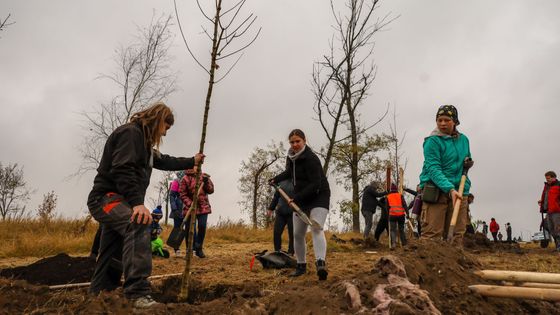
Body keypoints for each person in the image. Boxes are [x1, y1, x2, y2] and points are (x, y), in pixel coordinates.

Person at [86, 102, 204, 308]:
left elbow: (165, 161)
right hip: (106, 198)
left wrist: (191, 161)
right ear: (158, 120)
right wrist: (137, 204)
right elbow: (123, 168)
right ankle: (137, 294)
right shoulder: (130, 134)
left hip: (120, 202)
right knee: (139, 223)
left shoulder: (145, 145)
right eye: (166, 128)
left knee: (110, 249)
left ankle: (99, 297)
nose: (165, 134)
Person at [270, 129, 331, 280]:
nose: (295, 145)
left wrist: (296, 198)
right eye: (292, 142)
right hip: (302, 198)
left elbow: (316, 184)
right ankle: (301, 266)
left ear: (304, 141)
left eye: (298, 141)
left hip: (319, 196)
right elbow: (289, 173)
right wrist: (275, 179)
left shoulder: (311, 158)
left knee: (316, 227)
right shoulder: (291, 157)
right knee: (297, 234)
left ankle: (320, 264)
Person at [418, 105, 473, 246]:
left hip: (460, 192)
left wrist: (467, 163)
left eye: (446, 120)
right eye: (439, 120)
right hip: (436, 191)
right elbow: (433, 169)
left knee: (456, 236)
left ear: (455, 121)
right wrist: (449, 189)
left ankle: (453, 266)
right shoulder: (432, 141)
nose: (442, 123)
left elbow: (466, 160)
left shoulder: (464, 140)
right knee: (432, 235)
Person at [180, 165, 214, 258]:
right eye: (195, 166)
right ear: (191, 167)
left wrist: (206, 183)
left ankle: (199, 248)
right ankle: (189, 250)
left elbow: (211, 190)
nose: (197, 167)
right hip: (190, 208)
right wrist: (190, 203)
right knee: (190, 230)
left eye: (199, 166)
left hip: (203, 207)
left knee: (202, 227)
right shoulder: (185, 179)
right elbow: (182, 194)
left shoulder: (204, 177)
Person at [267, 179, 295, 255]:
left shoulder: (297, 182)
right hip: (280, 212)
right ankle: (277, 251)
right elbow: (276, 197)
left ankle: (291, 252)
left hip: (293, 213)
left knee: (292, 234)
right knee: (276, 232)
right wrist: (270, 208)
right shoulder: (281, 182)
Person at [539, 171, 560, 251]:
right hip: (549, 210)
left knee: (557, 229)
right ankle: (557, 245)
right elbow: (546, 197)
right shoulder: (547, 186)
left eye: (548, 178)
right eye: (546, 178)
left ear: (553, 177)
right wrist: (542, 202)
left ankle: (559, 246)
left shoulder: (558, 185)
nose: (547, 180)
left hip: (557, 211)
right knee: (551, 229)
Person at [169, 172, 185, 256]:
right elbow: (172, 196)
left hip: (188, 207)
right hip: (178, 208)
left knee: (190, 229)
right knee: (177, 228)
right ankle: (176, 248)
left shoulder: (192, 179)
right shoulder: (176, 182)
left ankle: (191, 249)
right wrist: (174, 209)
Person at [387, 184, 408, 249]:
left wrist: (388, 215)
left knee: (393, 230)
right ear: (396, 189)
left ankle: (393, 244)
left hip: (392, 215)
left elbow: (387, 207)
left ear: (391, 189)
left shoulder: (388, 197)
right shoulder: (400, 195)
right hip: (401, 215)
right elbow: (404, 205)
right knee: (401, 230)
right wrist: (407, 213)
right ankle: (404, 245)